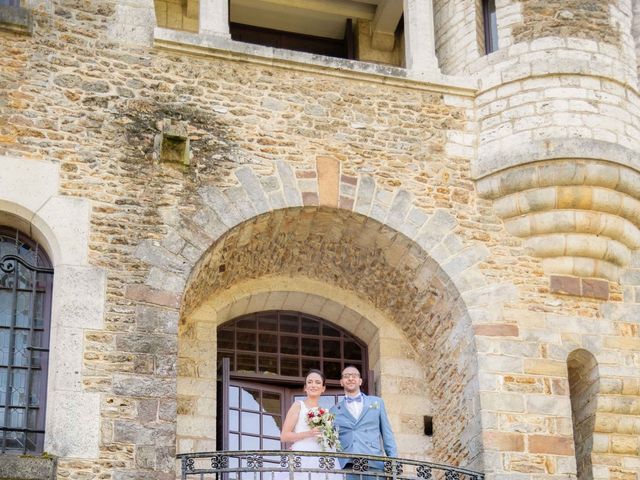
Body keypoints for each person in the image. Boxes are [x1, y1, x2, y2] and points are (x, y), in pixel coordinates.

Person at [330, 366, 397, 479]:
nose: (350, 378)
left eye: (354, 375)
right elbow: (331, 441)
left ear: (360, 381)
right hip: (348, 467)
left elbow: (387, 434)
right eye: (346, 376)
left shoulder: (377, 402)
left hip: (374, 463)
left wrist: (394, 462)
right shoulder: (333, 410)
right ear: (341, 382)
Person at [280, 369, 340, 480]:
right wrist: (309, 433)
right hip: (302, 456)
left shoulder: (326, 412)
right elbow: (284, 436)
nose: (313, 385)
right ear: (305, 387)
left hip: (322, 458)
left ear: (323, 388)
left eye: (317, 382)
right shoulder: (298, 405)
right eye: (310, 382)